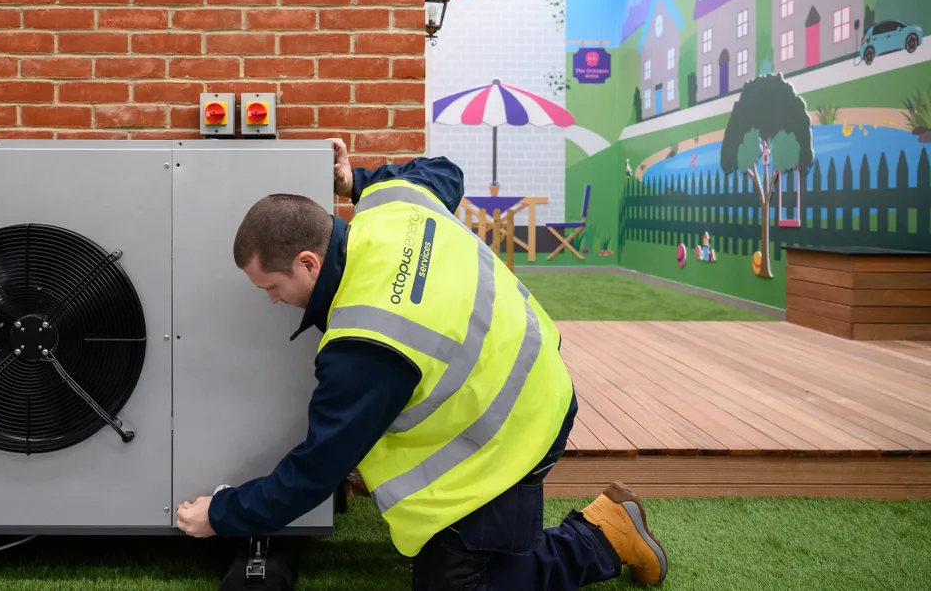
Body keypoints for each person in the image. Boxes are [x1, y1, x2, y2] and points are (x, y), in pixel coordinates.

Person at [176, 139, 668, 590]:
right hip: (532, 378)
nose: (271, 301)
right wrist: (355, 181)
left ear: (307, 262)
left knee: (455, 586)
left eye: (271, 287)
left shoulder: (364, 344)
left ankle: (603, 536)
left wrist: (219, 515)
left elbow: (312, 472)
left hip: (517, 432)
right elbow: (444, 170)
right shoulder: (396, 205)